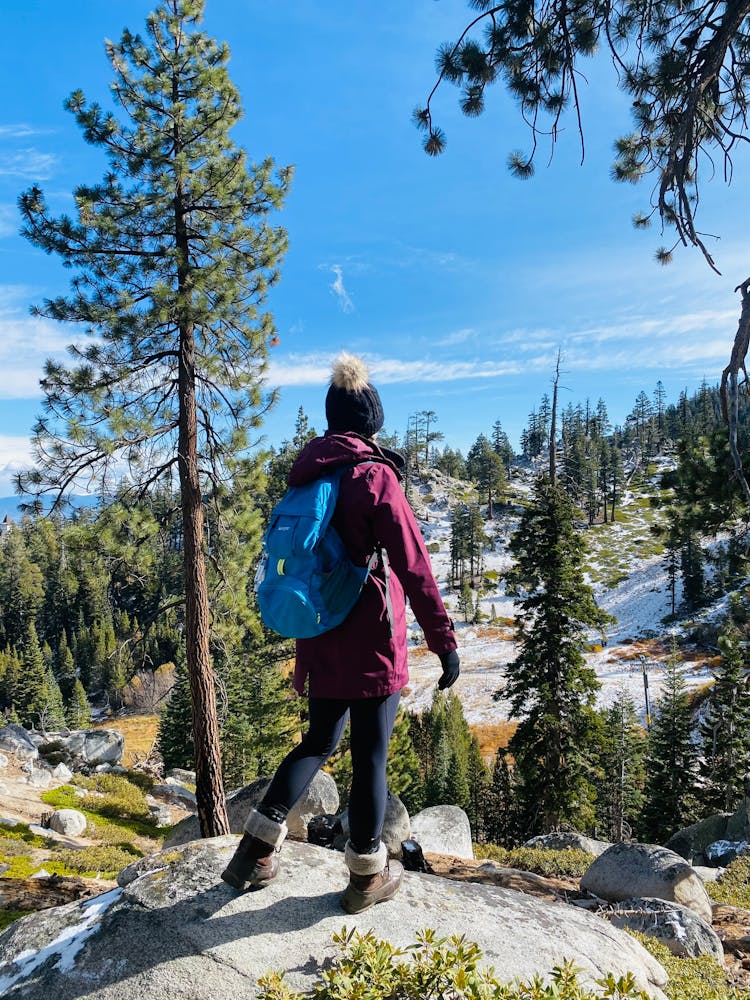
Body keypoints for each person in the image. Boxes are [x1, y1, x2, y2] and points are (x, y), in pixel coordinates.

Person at [221, 352, 460, 913]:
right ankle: (366, 877)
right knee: (371, 754)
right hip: (372, 637)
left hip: (320, 629)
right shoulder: (373, 477)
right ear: (371, 420)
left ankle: (254, 852)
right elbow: (414, 565)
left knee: (317, 741)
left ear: (333, 419)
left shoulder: (310, 474)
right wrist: (443, 641)